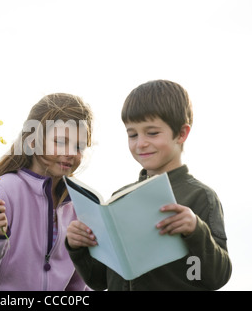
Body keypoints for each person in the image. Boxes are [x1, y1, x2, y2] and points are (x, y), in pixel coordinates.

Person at [66, 80, 232, 290]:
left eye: (152, 133)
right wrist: (77, 246)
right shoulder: (119, 199)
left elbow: (215, 277)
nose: (140, 143)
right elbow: (100, 280)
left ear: (181, 134)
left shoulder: (200, 197)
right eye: (132, 134)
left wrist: (195, 231)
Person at [0, 93, 94, 290]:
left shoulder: (78, 205)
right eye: (60, 142)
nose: (71, 152)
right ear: (33, 141)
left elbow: (76, 286)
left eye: (79, 146)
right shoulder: (4, 190)